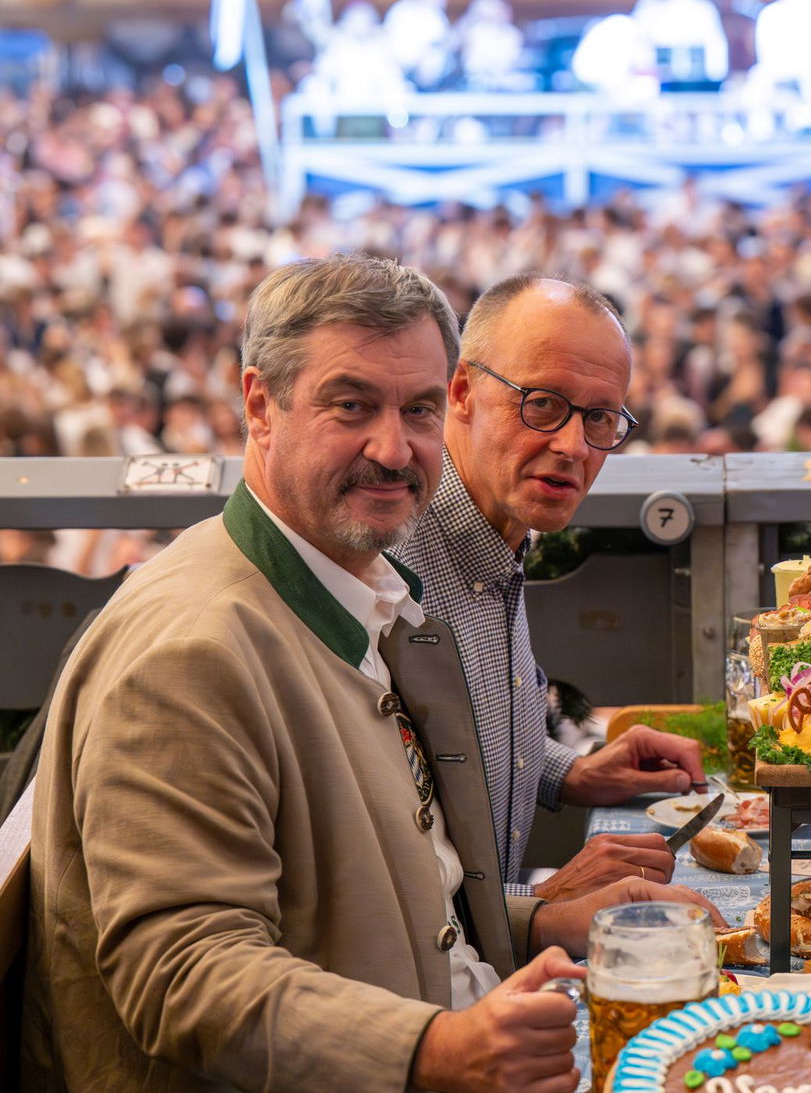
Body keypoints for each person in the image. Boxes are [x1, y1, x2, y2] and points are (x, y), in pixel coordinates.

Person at [23, 254, 718, 1092]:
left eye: (415, 408)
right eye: (351, 405)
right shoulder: (192, 649)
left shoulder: (358, 586)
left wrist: (540, 920)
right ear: (259, 406)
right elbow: (182, 976)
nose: (394, 449)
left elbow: (388, 890)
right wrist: (439, 1051)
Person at [398, 274, 706, 904]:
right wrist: (542, 907)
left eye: (600, 417)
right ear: (461, 391)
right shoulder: (391, 567)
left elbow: (446, 750)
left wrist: (575, 773)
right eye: (541, 403)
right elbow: (376, 891)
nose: (572, 445)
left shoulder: (501, 530)